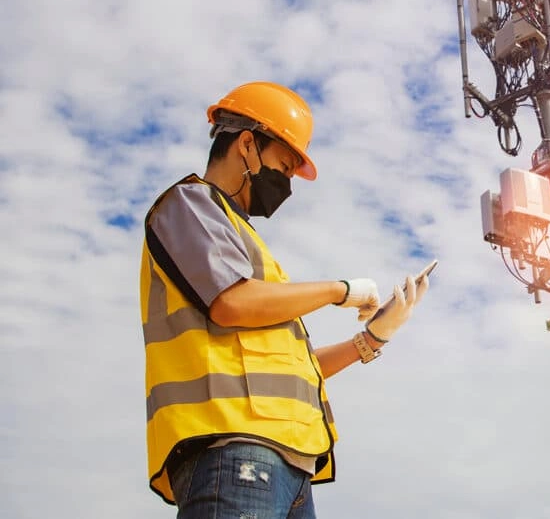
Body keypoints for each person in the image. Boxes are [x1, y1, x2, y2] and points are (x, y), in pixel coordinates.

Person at [139, 81, 431, 518]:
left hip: (289, 463)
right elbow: (231, 303)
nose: (288, 182)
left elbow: (291, 368)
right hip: (232, 447)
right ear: (247, 145)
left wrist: (370, 340)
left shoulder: (249, 246)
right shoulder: (190, 204)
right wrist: (340, 290)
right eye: (285, 165)